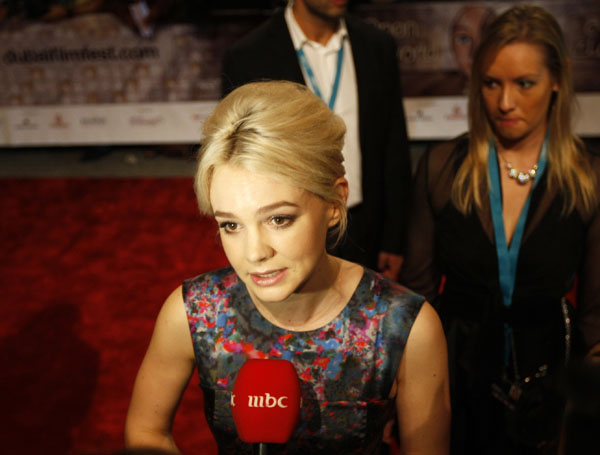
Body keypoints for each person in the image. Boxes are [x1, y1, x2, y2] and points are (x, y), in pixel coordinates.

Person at [125, 81, 450, 454]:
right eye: (231, 225)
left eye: (278, 219)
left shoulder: (403, 325)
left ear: (333, 201)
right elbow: (146, 433)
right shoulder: (195, 312)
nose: (254, 252)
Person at [400, 5, 600, 454]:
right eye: (491, 83)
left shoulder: (590, 179)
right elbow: (417, 298)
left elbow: (595, 319)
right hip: (454, 372)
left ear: (557, 80)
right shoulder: (440, 168)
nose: (505, 102)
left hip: (550, 376)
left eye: (523, 84)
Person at [221, 0, 411, 281]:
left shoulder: (376, 45)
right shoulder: (248, 55)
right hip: (286, 229)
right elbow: (240, 159)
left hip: (365, 226)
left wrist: (394, 239)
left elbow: (393, 145)